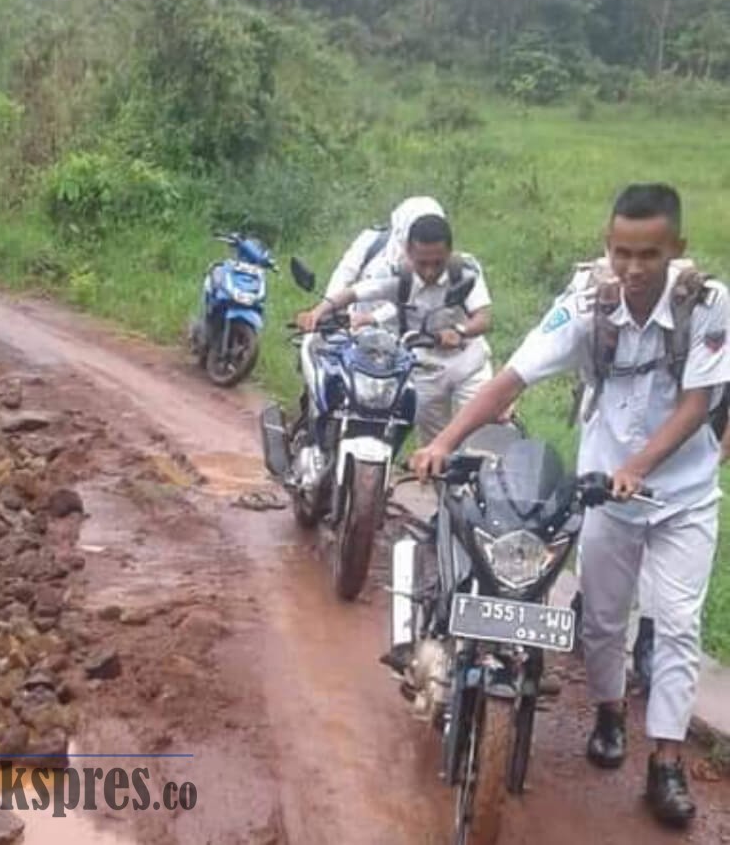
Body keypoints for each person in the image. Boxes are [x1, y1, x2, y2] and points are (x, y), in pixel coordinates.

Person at [411, 183, 730, 829]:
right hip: (604, 496)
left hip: (684, 496)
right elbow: (514, 377)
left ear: (676, 249)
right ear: (607, 247)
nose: (633, 268)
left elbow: (698, 405)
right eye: (621, 252)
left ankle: (665, 760)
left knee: (674, 624)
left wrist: (636, 469)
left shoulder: (711, 306)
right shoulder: (588, 301)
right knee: (603, 623)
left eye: (648, 254)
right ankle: (611, 715)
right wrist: (445, 439)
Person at [298, 213, 494, 445]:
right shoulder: (398, 277)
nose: (430, 271)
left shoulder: (465, 271)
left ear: (449, 254)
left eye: (438, 263)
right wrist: (318, 311)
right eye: (422, 263)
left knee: (481, 435)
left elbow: (483, 318)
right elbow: (355, 292)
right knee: (438, 447)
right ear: (409, 254)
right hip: (424, 369)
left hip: (468, 364)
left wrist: (459, 331)